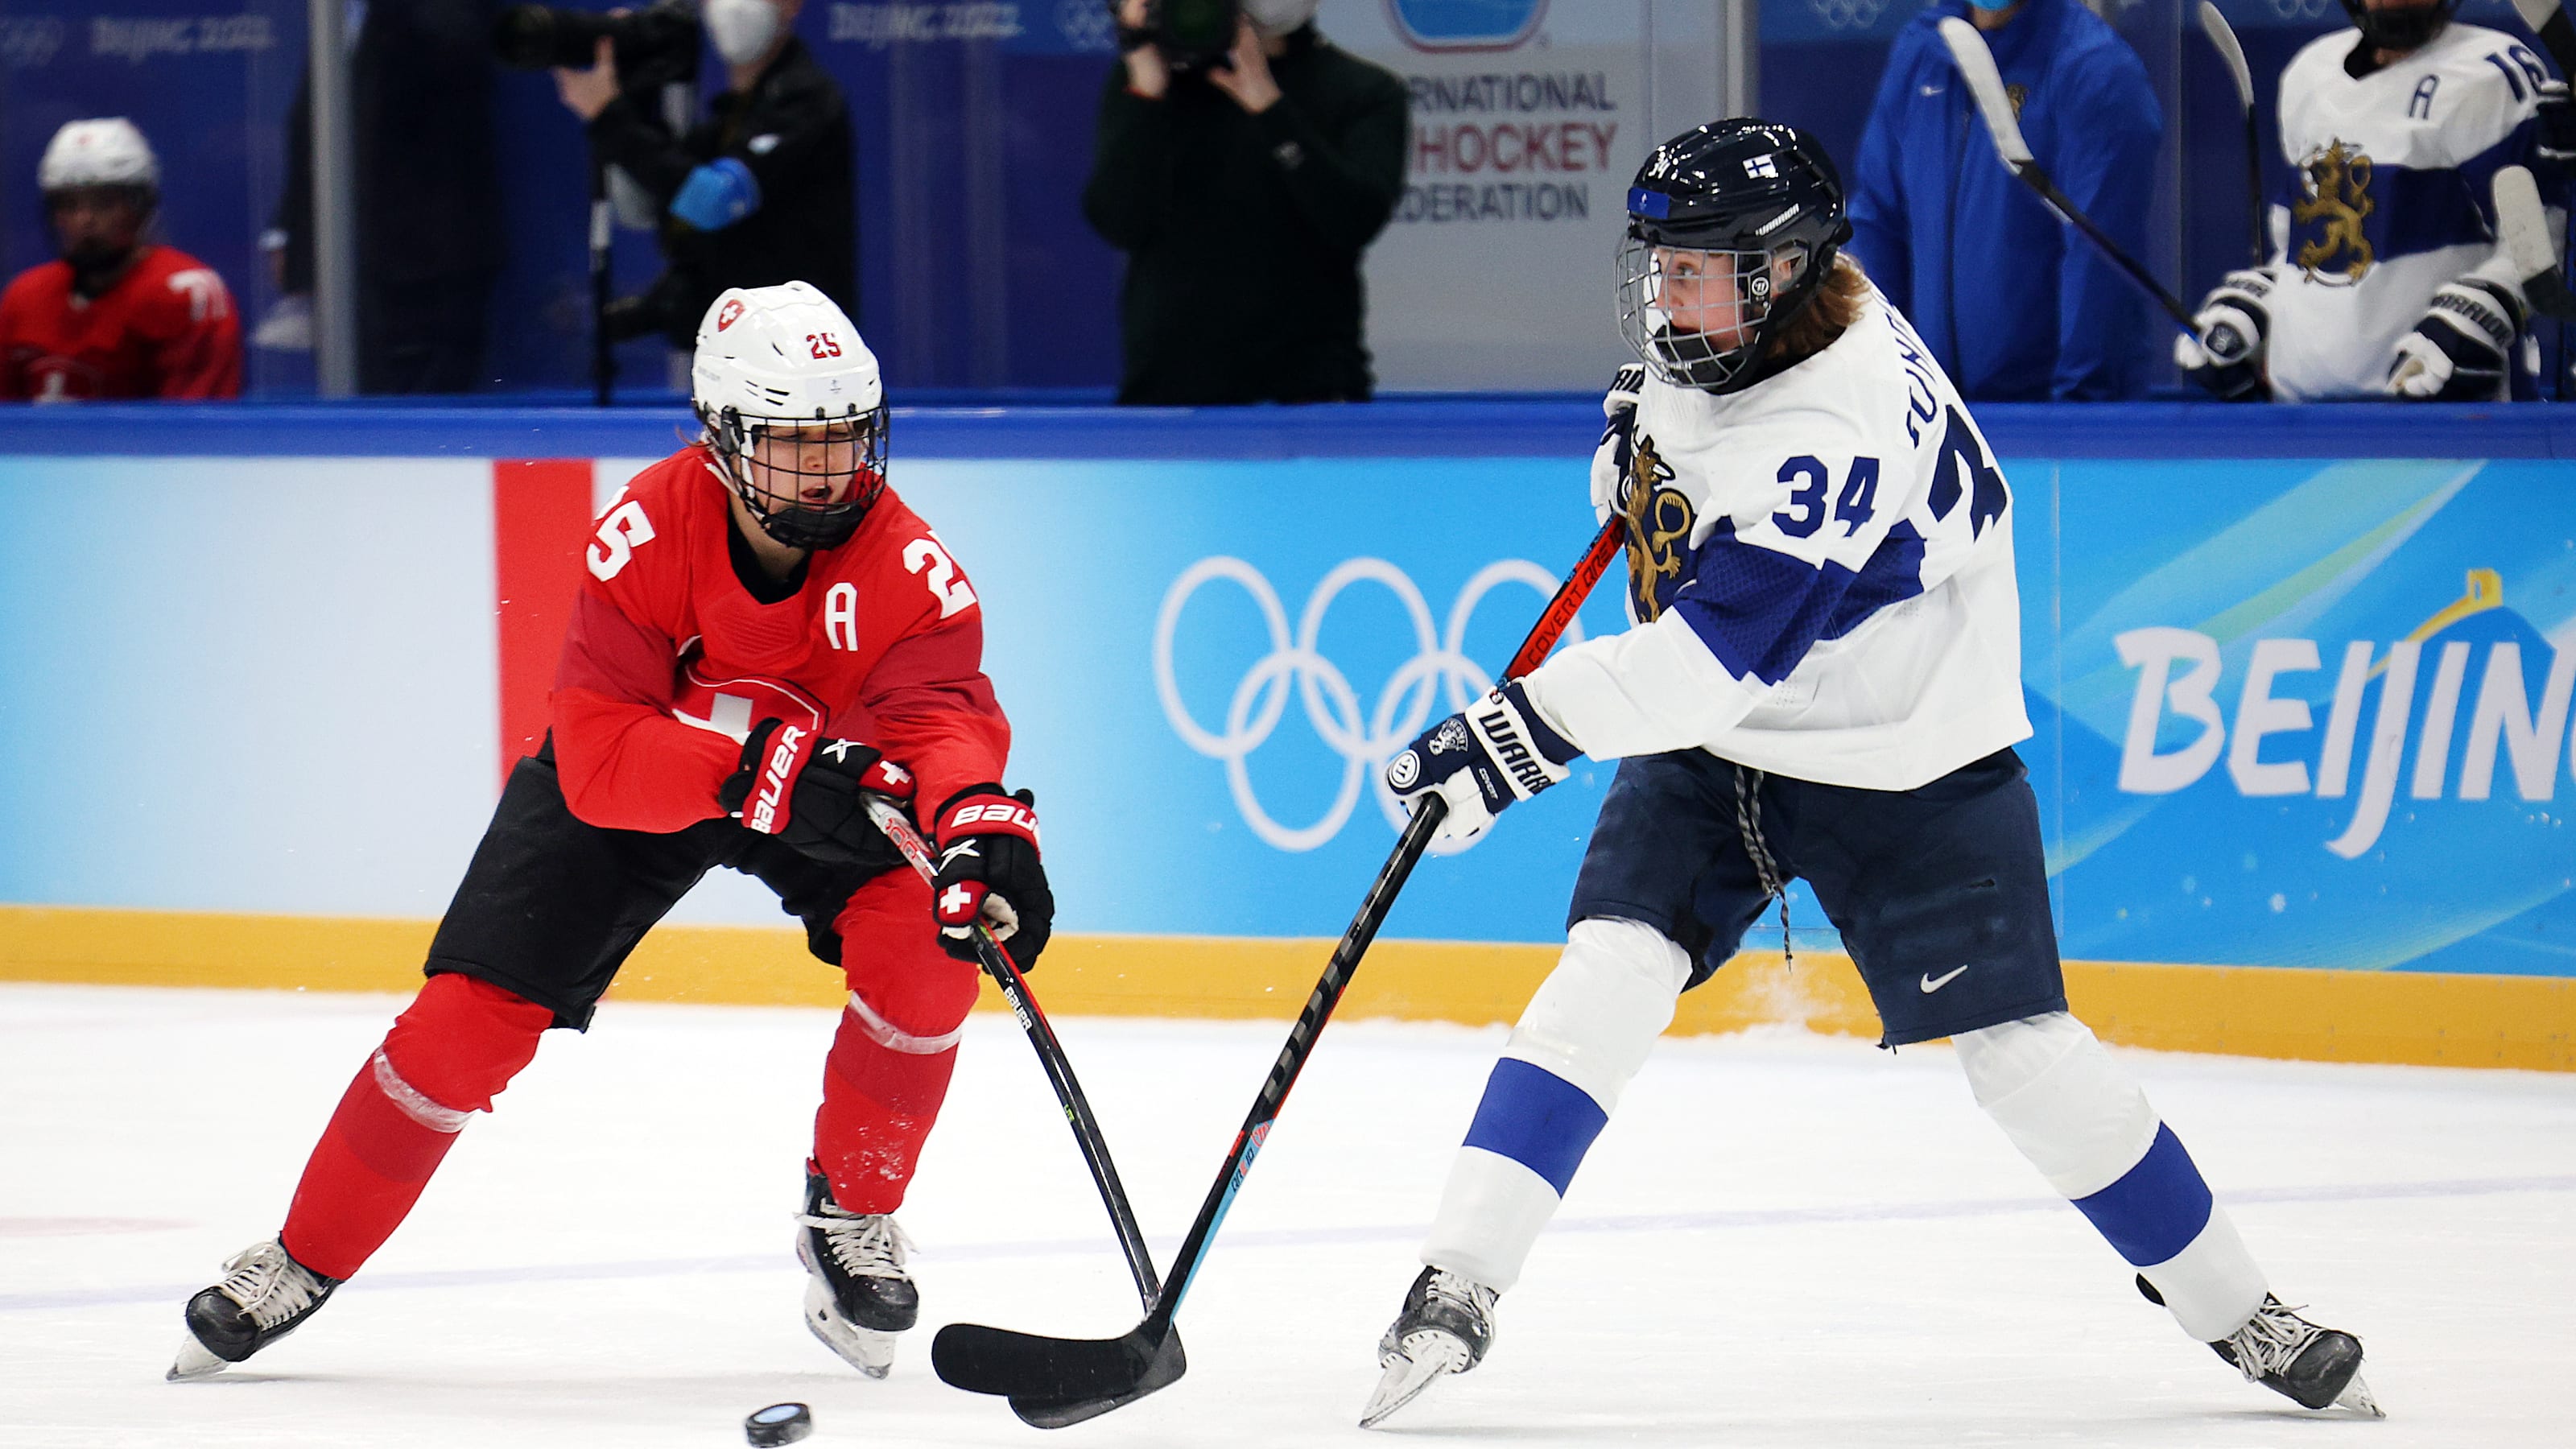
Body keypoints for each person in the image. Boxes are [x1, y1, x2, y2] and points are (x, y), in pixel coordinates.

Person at [1357, 121, 2380, 1429]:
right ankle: (1456, 1285)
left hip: (1905, 756)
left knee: (2024, 1057)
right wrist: (1634, 462)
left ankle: (2239, 1308)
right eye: (1659, 266)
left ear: (1780, 274)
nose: (1667, 295)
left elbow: (1709, 663)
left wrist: (1513, 738)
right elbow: (1681, 502)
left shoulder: (1830, 423)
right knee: (1605, 976)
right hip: (1729, 740)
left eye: (1698, 270)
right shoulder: (1748, 328)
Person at [167, 282, 1052, 1385]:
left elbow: (944, 719)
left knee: (928, 958)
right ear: (722, 441)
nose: (827, 471)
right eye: (792, 444)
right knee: (462, 1024)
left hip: (832, 785)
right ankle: (302, 1256)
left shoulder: (911, 564)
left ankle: (852, 1214)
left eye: (844, 440)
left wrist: (980, 827)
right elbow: (595, 760)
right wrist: (756, 775)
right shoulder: (642, 533)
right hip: (653, 785)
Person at [2176, 0, 2565, 401]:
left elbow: (2537, 248)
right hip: (2296, 426)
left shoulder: (2492, 74)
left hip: (2445, 424)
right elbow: (2302, 256)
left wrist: (2486, 310)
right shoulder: (2310, 72)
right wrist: (2256, 305)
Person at [1082, 0, 1407, 405]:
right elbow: (1117, 220)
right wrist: (1147, 90)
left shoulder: (1365, 91)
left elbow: (1354, 220)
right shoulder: (1158, 83)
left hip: (1311, 391)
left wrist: (1269, 108)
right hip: (1171, 391)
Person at [1846, 0, 2161, 400]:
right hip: (1936, 421)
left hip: (2047, 422)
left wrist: (2078, 421)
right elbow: (1878, 222)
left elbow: (2099, 263)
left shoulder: (2094, 69)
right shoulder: (1923, 50)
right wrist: (1886, 389)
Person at [554, 0, 857, 353]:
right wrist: (630, 102)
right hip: (726, 357)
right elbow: (640, 209)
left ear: (792, 5)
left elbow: (712, 201)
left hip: (800, 357)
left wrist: (609, 118)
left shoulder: (807, 99)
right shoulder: (724, 123)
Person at [265, 0, 506, 392]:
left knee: (423, 418)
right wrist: (288, 228)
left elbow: (459, 46)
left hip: (427, 269)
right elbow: (312, 123)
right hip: (347, 261)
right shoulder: (337, 12)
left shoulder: (434, 15)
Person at [0, 118, 238, 402]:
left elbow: (196, 433)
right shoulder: (24, 298)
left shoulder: (188, 294)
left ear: (140, 208)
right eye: (69, 205)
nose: (84, 220)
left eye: (104, 203)